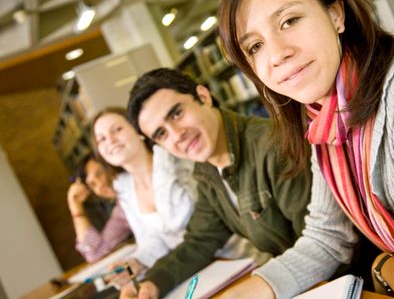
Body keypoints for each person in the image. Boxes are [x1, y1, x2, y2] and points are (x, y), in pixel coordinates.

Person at [218, 0, 394, 298]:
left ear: (336, 14)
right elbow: (326, 237)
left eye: (289, 21)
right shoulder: (326, 117)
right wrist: (244, 293)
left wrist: (384, 269)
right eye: (254, 46)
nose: (277, 54)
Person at [120, 67, 312, 298]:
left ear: (203, 96)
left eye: (176, 114)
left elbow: (318, 247)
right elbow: (200, 240)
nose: (176, 135)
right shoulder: (206, 170)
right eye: (161, 134)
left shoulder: (274, 148)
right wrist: (152, 283)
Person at [91, 107, 198, 280]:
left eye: (117, 130)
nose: (110, 140)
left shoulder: (173, 160)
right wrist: (136, 262)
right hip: (186, 270)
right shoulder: (124, 187)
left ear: (138, 129)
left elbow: (183, 220)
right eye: (101, 139)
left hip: (225, 258)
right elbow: (151, 238)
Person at [67, 156, 132, 263]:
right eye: (92, 184)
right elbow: (96, 254)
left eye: (99, 173)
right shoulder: (121, 209)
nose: (100, 185)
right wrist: (75, 205)